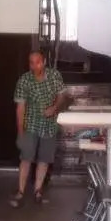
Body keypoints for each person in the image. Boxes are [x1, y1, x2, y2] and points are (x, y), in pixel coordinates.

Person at [9, 50, 67, 207]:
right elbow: (20, 108)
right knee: (26, 158)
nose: (35, 66)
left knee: (44, 159)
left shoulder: (54, 76)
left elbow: (62, 95)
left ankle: (38, 191)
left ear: (44, 62)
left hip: (49, 125)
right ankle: (20, 191)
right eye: (32, 63)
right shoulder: (24, 80)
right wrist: (20, 132)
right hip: (31, 124)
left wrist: (54, 108)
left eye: (38, 62)